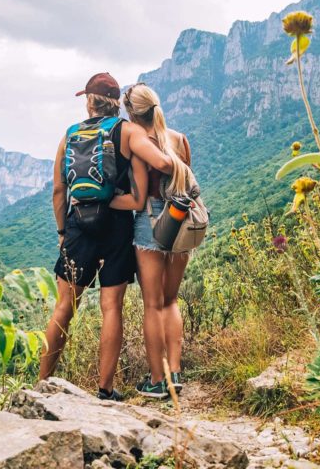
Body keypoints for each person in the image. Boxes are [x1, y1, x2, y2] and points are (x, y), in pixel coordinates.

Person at [38, 73, 176, 401]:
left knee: (63, 308)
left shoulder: (69, 135)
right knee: (111, 306)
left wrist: (62, 231)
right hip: (116, 225)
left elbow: (59, 190)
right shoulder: (127, 131)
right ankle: (104, 390)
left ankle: (41, 384)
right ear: (117, 102)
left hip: (77, 226)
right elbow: (140, 197)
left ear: (89, 100)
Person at [123, 83, 192, 399]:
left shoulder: (140, 144)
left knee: (152, 304)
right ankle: (175, 373)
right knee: (170, 300)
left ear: (131, 112)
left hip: (150, 221)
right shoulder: (179, 140)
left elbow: (138, 196)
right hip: (181, 221)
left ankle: (156, 379)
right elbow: (186, 181)